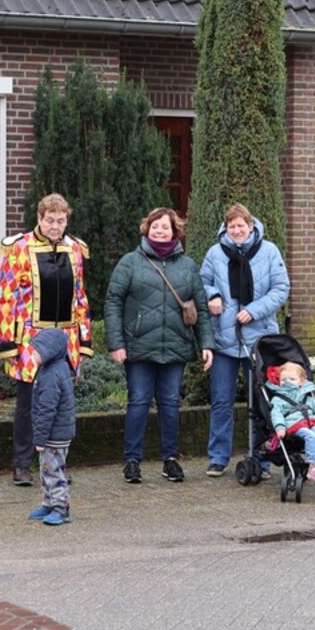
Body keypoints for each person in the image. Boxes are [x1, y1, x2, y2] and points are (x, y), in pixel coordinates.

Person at [105, 207, 215, 484]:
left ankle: (171, 460)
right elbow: (113, 302)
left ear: (174, 231)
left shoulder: (188, 266)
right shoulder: (130, 262)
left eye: (165, 227)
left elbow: (200, 306)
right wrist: (116, 343)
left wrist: (206, 343)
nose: (159, 231)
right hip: (139, 346)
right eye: (155, 226)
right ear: (147, 229)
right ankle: (132, 461)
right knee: (138, 403)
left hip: (175, 347)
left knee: (170, 405)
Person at [0, 193, 93, 487]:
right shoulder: (19, 248)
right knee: (28, 404)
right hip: (30, 339)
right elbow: (5, 297)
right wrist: (7, 342)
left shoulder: (75, 248)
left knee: (60, 403)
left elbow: (80, 297)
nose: (55, 226)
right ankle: (22, 464)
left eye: (60, 221)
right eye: (50, 220)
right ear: (39, 218)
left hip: (65, 338)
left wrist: (84, 340)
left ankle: (55, 464)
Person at [200, 203, 290, 478]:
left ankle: (261, 459)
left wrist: (254, 310)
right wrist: (212, 295)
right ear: (225, 228)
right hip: (224, 340)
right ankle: (218, 458)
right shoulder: (215, 253)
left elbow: (281, 288)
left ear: (251, 226)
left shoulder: (269, 251)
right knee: (221, 401)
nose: (237, 230)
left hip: (259, 341)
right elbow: (201, 283)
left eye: (241, 225)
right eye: (232, 226)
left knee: (262, 402)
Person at [25, 328, 76, 526]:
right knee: (46, 470)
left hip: (54, 435)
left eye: (36, 351)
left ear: (49, 352)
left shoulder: (52, 375)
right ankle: (48, 503)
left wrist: (40, 438)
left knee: (54, 472)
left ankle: (61, 508)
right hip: (54, 433)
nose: (33, 355)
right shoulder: (54, 368)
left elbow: (47, 410)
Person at [267, 362, 315, 483]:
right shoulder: (278, 399)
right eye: (283, 380)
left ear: (301, 381)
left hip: (312, 422)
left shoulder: (308, 398)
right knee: (311, 436)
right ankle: (313, 466)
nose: (287, 382)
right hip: (293, 424)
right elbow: (276, 414)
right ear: (278, 381)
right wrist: (280, 427)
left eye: (292, 379)